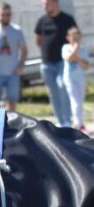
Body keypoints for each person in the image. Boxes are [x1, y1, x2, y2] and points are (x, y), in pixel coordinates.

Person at [34, 0, 77, 129]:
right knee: (52, 92)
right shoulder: (42, 21)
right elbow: (38, 39)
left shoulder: (67, 19)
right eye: (43, 4)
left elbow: (74, 37)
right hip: (46, 63)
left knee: (62, 87)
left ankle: (67, 120)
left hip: (62, 62)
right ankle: (59, 122)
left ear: (55, 3)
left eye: (47, 3)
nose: (45, 6)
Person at [62, 26, 90, 131]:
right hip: (69, 78)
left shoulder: (83, 50)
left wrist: (77, 56)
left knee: (80, 100)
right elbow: (68, 59)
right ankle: (77, 124)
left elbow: (86, 66)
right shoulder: (65, 47)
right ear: (68, 38)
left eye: (77, 38)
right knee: (75, 100)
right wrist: (75, 49)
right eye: (74, 38)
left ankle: (79, 122)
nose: (76, 40)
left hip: (80, 78)